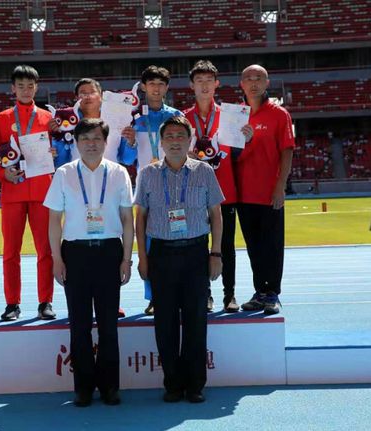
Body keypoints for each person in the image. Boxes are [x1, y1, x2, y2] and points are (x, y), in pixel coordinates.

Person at [45, 118, 134, 407]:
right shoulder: (64, 173)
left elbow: (127, 220)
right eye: (85, 139)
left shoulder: (119, 173)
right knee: (79, 324)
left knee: (109, 324)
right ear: (77, 142)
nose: (91, 144)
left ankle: (110, 387)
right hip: (76, 254)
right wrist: (57, 259)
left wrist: (126, 259)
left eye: (97, 138)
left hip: (109, 252)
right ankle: (83, 388)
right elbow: (54, 221)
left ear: (105, 142)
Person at [134, 116, 224, 404]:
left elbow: (216, 215)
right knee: (165, 322)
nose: (174, 140)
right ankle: (172, 384)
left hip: (196, 252)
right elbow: (141, 219)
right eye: (169, 136)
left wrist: (216, 254)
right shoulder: (147, 174)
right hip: (161, 254)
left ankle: (196, 384)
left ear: (189, 141)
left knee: (197, 320)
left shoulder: (205, 171)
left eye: (180, 136)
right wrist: (143, 258)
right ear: (161, 142)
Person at [50, 78, 134, 318]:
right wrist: (57, 141)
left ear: (101, 95)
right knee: (80, 318)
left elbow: (127, 159)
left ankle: (111, 302)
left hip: (111, 185)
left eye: (91, 91)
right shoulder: (68, 122)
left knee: (108, 314)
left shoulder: (118, 120)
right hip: (80, 185)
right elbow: (61, 161)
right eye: (82, 93)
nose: (87, 96)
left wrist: (130, 141)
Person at [183, 60, 253, 313]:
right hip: (194, 191)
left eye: (208, 81)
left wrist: (246, 140)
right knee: (200, 244)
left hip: (225, 191)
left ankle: (230, 294)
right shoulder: (183, 118)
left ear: (217, 84)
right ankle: (206, 294)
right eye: (199, 81)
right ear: (192, 85)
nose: (204, 85)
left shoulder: (232, 115)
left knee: (226, 246)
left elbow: (240, 157)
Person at [0, 65, 55, 321]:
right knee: (11, 251)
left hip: (42, 190)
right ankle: (12, 303)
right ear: (13, 88)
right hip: (13, 191)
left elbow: (60, 152)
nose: (26, 90)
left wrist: (54, 153)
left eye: (30, 86)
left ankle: (45, 302)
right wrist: (1, 174)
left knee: (46, 250)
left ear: (36, 87)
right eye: (21, 86)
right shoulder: (2, 118)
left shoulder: (48, 118)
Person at [122, 65, 182, 315]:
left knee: (178, 237)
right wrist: (131, 142)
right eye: (152, 84)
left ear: (166, 88)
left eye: (161, 84)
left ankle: (178, 293)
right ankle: (154, 296)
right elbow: (126, 159)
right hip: (147, 187)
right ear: (144, 87)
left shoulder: (176, 116)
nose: (156, 89)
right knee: (148, 244)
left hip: (175, 184)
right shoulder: (135, 119)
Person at [235, 64, 294, 315]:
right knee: (253, 247)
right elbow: (230, 154)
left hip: (269, 193)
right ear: (241, 84)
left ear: (267, 83)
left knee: (272, 245)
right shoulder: (236, 115)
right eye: (248, 78)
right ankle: (260, 291)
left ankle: (273, 293)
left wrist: (280, 186)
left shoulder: (279, 114)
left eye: (258, 78)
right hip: (243, 193)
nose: (253, 82)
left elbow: (287, 150)